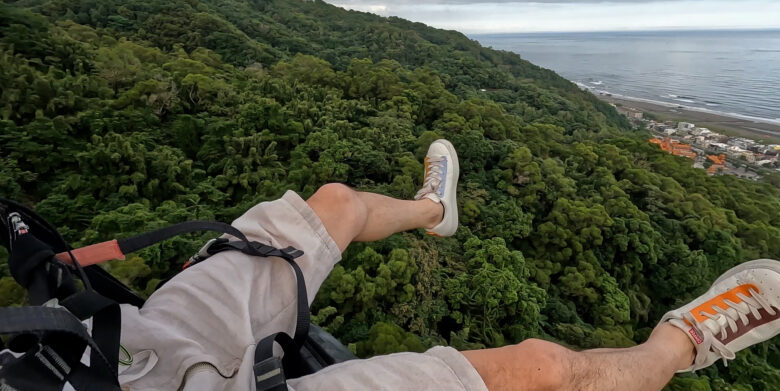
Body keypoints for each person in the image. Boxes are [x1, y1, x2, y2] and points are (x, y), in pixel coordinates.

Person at [118, 139, 780, 391]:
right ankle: (684, 339)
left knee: (336, 203)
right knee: (543, 368)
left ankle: (433, 208)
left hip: (125, 353)